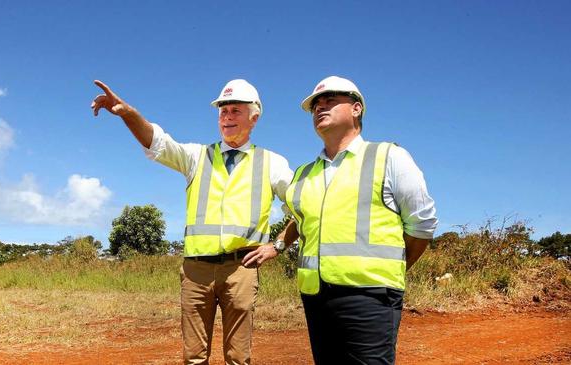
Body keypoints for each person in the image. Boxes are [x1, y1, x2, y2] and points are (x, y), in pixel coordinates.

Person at [91, 79, 293, 365]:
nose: (227, 116)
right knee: (193, 358)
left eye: (236, 110)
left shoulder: (272, 163)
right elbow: (157, 142)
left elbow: (301, 208)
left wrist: (278, 245)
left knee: (238, 358)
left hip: (241, 269)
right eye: (223, 111)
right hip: (196, 271)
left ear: (254, 117)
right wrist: (128, 114)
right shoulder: (197, 157)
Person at [278, 76, 438, 364]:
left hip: (371, 296)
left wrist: (391, 269)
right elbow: (301, 223)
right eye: (315, 105)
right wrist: (276, 244)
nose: (319, 108)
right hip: (315, 295)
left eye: (329, 101)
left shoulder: (389, 157)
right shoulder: (303, 174)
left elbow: (422, 225)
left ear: (356, 108)